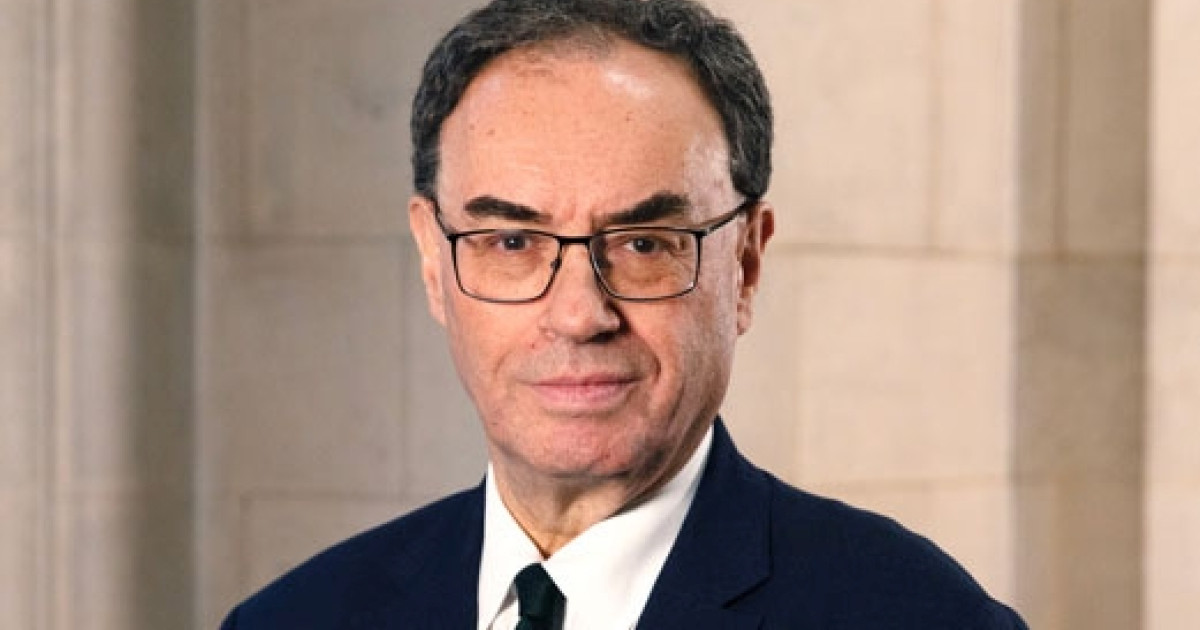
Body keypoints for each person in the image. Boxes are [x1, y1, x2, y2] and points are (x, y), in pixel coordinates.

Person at [222, 0, 1029, 628]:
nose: (580, 314)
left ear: (745, 266)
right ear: (435, 263)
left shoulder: (920, 617)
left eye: (644, 243)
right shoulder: (292, 620)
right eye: (512, 242)